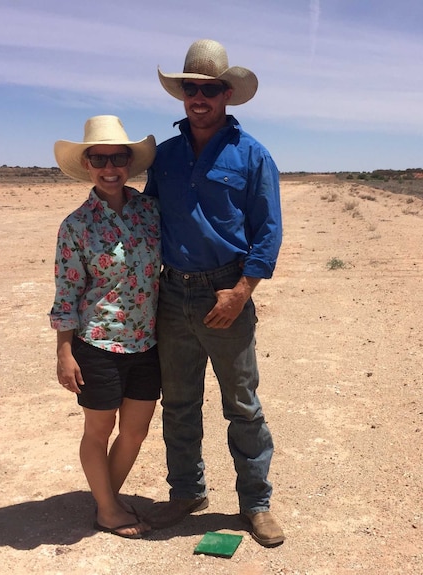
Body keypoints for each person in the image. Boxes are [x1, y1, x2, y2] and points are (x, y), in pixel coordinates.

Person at [144, 39, 284, 547]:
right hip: (172, 294)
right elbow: (147, 221)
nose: (199, 98)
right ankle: (187, 492)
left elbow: (268, 231)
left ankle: (256, 504)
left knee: (242, 405)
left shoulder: (252, 155)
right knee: (179, 403)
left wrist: (242, 292)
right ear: (182, 94)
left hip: (224, 293)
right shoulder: (165, 156)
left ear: (226, 93)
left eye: (209, 89)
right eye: (190, 89)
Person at [49, 115, 161, 539]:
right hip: (96, 343)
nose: (110, 166)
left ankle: (105, 501)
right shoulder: (76, 226)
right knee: (99, 430)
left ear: (129, 163)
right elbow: (66, 294)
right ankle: (109, 510)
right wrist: (64, 353)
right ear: (88, 164)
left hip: (147, 341)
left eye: (118, 157)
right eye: (100, 158)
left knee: (136, 431)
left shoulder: (150, 212)